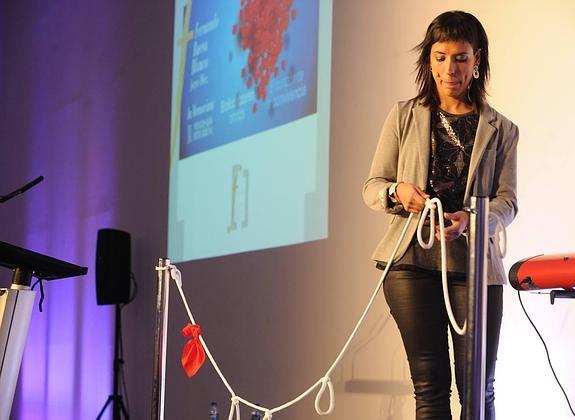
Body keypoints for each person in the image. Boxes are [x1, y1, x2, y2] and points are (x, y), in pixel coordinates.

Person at [362, 10, 518, 420]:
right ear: (428, 61)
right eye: (441, 57)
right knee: (429, 388)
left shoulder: (503, 130)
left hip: (474, 268)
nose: (451, 68)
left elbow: (508, 202)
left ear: (477, 60)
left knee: (478, 389)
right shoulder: (402, 116)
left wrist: (472, 219)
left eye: (461, 57)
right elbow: (373, 187)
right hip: (411, 263)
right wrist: (399, 192)